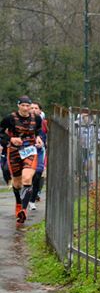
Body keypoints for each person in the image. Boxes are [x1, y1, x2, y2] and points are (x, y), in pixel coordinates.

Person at [1, 96, 45, 224]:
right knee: (17, 183)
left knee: (27, 178)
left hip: (30, 150)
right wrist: (10, 140)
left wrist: (38, 138)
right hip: (14, 151)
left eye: (28, 106)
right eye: (23, 106)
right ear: (18, 105)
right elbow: (1, 133)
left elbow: (39, 131)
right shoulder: (10, 118)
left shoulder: (36, 118)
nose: (26, 108)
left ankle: (23, 211)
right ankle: (19, 204)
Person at [28, 102, 47, 209]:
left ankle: (33, 199)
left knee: (37, 175)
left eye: (36, 108)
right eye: (32, 108)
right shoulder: (24, 121)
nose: (33, 110)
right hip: (27, 151)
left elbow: (45, 136)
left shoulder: (43, 122)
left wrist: (41, 142)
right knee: (27, 175)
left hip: (40, 151)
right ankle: (26, 197)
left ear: (40, 111)